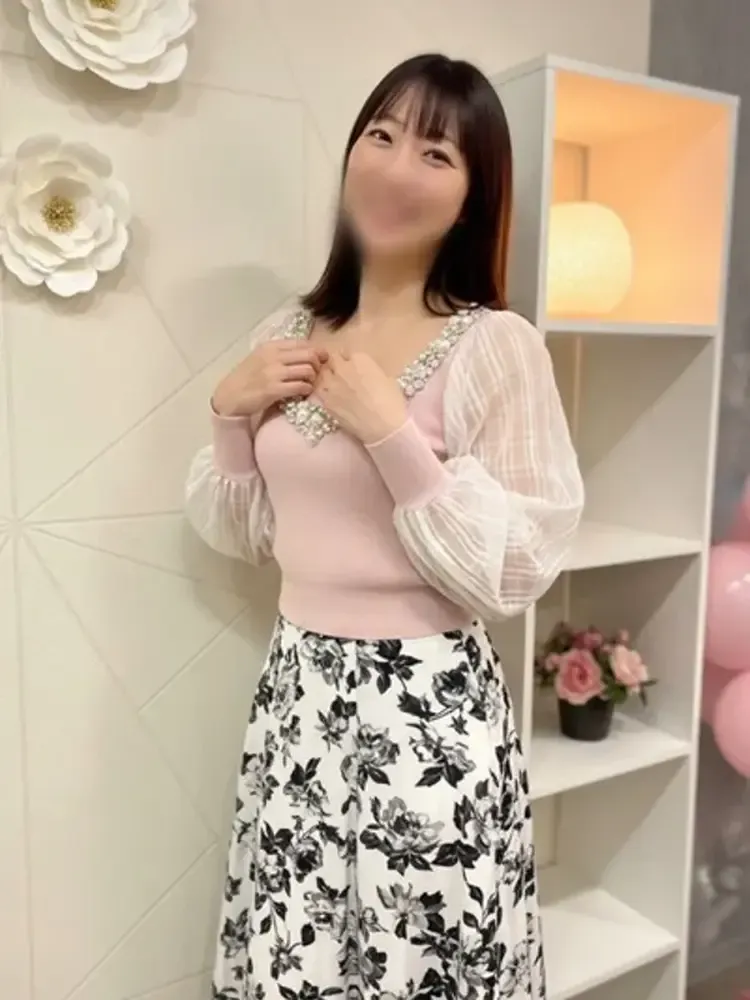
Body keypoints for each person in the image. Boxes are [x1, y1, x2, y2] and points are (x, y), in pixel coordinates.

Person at [186, 52, 584, 1000]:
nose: (398, 167)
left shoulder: (497, 345)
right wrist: (229, 412)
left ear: (474, 198)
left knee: (425, 964)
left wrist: (392, 435)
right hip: (298, 697)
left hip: (428, 714)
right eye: (382, 135)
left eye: (437, 155)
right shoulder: (289, 329)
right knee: (303, 957)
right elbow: (249, 530)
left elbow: (519, 565)